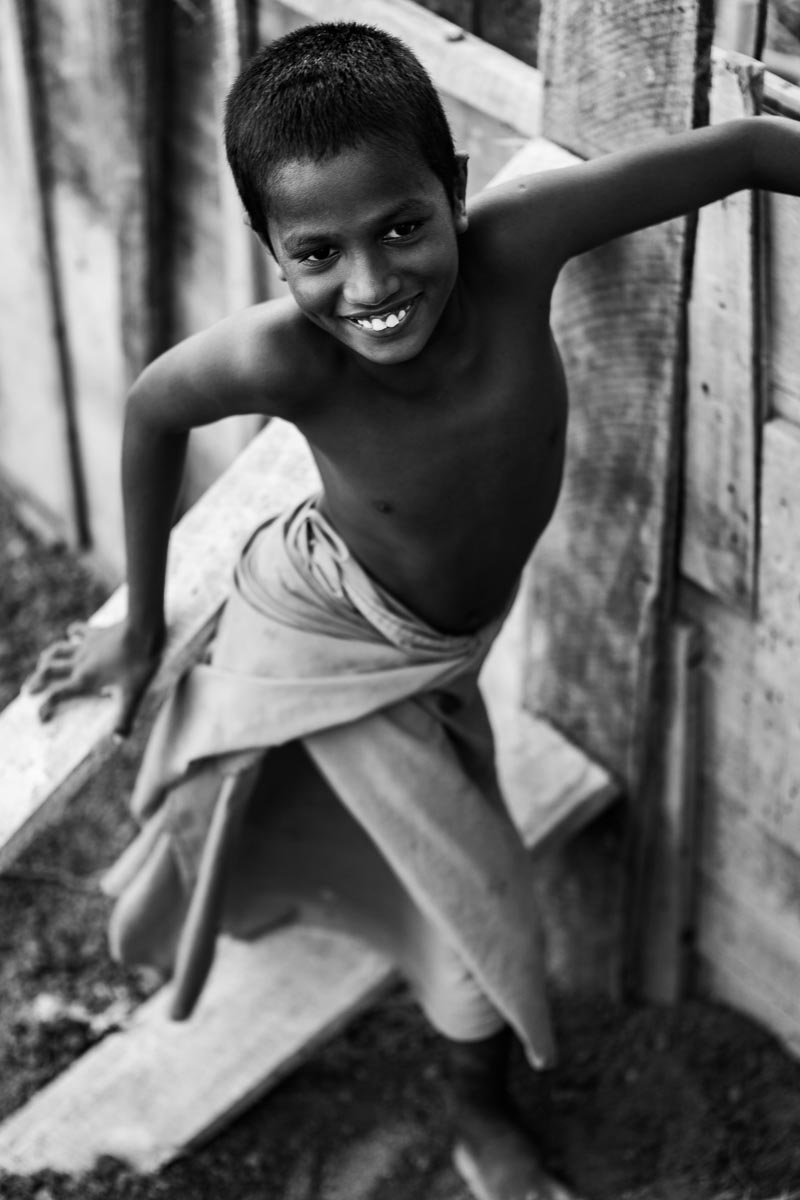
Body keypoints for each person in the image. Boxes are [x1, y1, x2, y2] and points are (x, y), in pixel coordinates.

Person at [26, 20, 800, 1200]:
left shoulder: (522, 242)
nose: (372, 284)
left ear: (456, 190)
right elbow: (147, 407)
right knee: (480, 898)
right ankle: (479, 1121)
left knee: (389, 831)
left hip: (441, 648)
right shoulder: (284, 360)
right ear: (272, 253)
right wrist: (134, 630)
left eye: (400, 227)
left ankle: (286, 904)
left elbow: (747, 146)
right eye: (317, 253)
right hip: (336, 632)